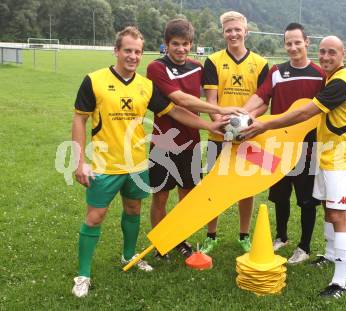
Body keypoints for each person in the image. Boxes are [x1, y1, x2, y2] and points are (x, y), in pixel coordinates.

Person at [71, 26, 226, 298]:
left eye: (137, 51)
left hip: (137, 165)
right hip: (104, 166)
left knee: (133, 210)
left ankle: (128, 256)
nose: (132, 56)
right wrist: (79, 160)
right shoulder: (93, 80)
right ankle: (83, 274)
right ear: (116, 51)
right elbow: (79, 119)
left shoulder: (145, 85)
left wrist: (208, 126)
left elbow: (176, 111)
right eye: (127, 50)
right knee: (95, 217)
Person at [242, 35, 346, 298]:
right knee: (328, 210)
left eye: (332, 52)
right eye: (323, 52)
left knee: (339, 215)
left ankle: (339, 282)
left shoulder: (342, 81)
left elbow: (305, 112)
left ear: (344, 53)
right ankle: (330, 256)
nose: (326, 57)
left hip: (340, 159)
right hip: (325, 155)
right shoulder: (330, 77)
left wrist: (265, 124)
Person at [146, 19, 245, 259]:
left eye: (185, 44)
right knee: (160, 196)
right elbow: (181, 100)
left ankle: (179, 240)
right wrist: (222, 112)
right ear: (166, 44)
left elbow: (212, 94)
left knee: (187, 196)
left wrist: (228, 114)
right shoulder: (156, 68)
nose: (181, 49)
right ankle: (161, 243)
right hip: (163, 144)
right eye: (175, 44)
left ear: (192, 44)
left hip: (190, 144)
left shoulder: (198, 68)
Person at [243, 23, 326, 264]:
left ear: (307, 42)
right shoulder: (277, 71)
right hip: (277, 146)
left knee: (307, 200)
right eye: (288, 43)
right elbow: (261, 96)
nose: (293, 47)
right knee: (280, 195)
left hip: (307, 147)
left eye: (297, 42)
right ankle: (281, 237)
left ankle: (305, 246)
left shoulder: (320, 74)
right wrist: (244, 112)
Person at [200, 11, 269, 254]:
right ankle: (211, 235)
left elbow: (263, 103)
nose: (233, 34)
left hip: (249, 136)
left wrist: (247, 124)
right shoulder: (213, 61)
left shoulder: (261, 63)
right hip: (219, 137)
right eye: (228, 30)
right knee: (213, 187)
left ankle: (243, 235)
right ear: (223, 33)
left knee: (246, 188)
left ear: (246, 31)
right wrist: (225, 127)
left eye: (237, 29)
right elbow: (211, 101)